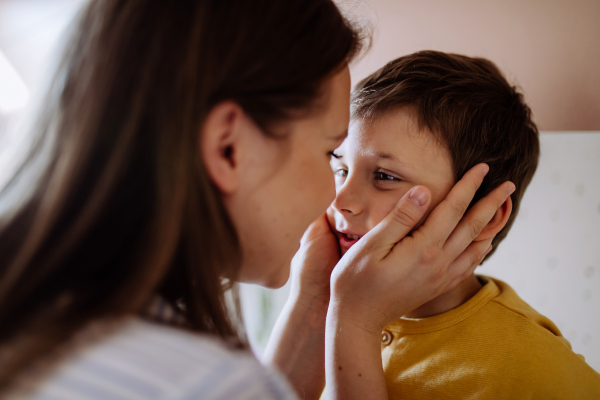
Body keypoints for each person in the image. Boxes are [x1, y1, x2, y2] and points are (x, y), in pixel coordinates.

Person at [0, 1, 512, 399]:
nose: (336, 201)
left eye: (382, 174)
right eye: (330, 155)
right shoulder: (199, 382)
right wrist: (351, 323)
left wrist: (319, 307)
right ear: (228, 147)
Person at [325, 50, 600, 399]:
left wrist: (351, 321)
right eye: (341, 170)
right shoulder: (325, 310)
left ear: (484, 215)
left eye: (384, 176)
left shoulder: (533, 374)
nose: (339, 202)